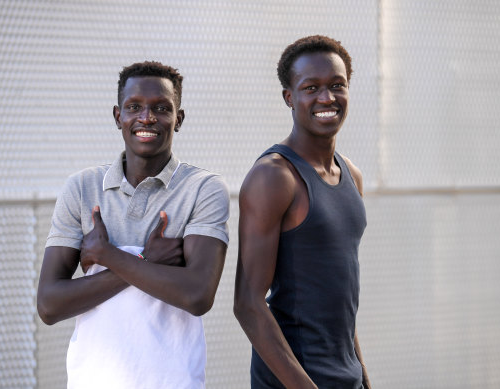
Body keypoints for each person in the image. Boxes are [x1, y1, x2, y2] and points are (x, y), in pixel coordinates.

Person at [37, 61, 229, 389]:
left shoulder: (203, 188)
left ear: (179, 119)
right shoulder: (82, 188)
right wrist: (146, 262)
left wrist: (107, 255)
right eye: (134, 107)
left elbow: (197, 295)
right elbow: (50, 304)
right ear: (117, 117)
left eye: (161, 108)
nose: (147, 117)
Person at [234, 35, 371, 388]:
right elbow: (248, 305)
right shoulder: (274, 176)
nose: (326, 98)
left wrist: (363, 378)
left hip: (345, 377)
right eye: (311, 87)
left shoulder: (351, 175)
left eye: (337, 85)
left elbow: (338, 301)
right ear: (289, 97)